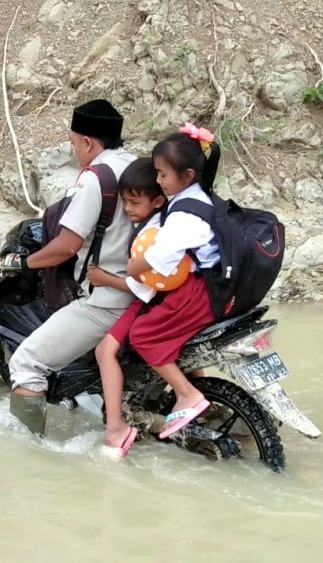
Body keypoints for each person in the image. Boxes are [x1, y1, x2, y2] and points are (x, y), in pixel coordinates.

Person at [0, 100, 136, 435]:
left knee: (27, 362)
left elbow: (66, 246)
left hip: (106, 301)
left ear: (88, 142)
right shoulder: (137, 165)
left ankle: (28, 457)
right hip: (142, 294)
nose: (76, 152)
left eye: (75, 144)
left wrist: (24, 261)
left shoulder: (96, 178)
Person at [123, 123, 222, 440]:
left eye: (163, 175)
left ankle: (186, 394)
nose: (158, 181)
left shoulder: (184, 215)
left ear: (188, 176)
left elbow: (158, 259)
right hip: (213, 285)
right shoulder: (202, 198)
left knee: (143, 335)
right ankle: (200, 388)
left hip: (199, 291)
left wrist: (131, 266)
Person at [85, 158, 167, 457]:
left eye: (134, 201)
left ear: (157, 200)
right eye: (124, 201)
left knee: (104, 351)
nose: (128, 208)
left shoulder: (150, 235)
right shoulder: (166, 221)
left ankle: (115, 428)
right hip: (174, 300)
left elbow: (144, 289)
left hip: (149, 303)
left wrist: (104, 278)